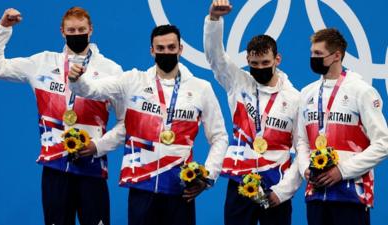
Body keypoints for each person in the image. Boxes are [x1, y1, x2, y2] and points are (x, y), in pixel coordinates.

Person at [68, 24, 228, 225]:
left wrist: (207, 176)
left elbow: (220, 137)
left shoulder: (201, 88)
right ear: (152, 50)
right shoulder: (132, 81)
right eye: (160, 48)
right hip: (141, 187)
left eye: (171, 47)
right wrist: (76, 80)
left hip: (180, 189)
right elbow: (91, 90)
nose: (166, 52)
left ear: (181, 49)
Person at [0, 7, 125, 225]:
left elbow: (125, 121)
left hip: (92, 168)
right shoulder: (42, 63)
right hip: (55, 169)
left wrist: (98, 146)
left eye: (81, 29)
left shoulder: (111, 70)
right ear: (62, 31)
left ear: (91, 30)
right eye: (71, 30)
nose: (77, 33)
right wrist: (4, 28)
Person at [203, 1, 302, 225]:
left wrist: (283, 191)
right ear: (247, 60)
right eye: (254, 63)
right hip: (240, 184)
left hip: (274, 187)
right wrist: (214, 20)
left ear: (278, 59)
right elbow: (215, 57)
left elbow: (301, 150)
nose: (260, 68)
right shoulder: (238, 83)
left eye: (266, 62)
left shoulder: (295, 99)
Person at [296, 27, 388, 225]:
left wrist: (342, 170)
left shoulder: (362, 91)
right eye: (312, 53)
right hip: (316, 195)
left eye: (318, 54)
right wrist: (305, 169)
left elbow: (383, 143)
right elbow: (301, 141)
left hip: (351, 195)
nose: (313, 58)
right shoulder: (306, 93)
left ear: (337, 55)